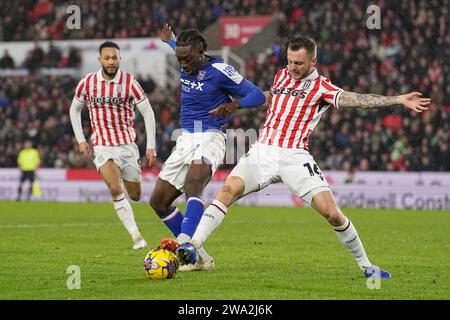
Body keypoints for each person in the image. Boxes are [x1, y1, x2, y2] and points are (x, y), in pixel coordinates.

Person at [177, 36, 431, 279]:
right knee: (228, 190)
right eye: (289, 61)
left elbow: (357, 100)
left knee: (331, 213)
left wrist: (397, 99)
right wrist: (237, 104)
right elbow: (272, 96)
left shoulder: (322, 88)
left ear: (313, 63)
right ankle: (193, 246)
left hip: (294, 156)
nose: (292, 67)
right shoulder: (282, 76)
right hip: (263, 150)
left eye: (298, 63)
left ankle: (367, 266)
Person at [151, 24, 265, 270]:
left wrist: (234, 106)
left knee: (194, 184)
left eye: (187, 58)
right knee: (158, 202)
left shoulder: (221, 70)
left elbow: (258, 95)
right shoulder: (186, 58)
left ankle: (183, 244)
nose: (183, 64)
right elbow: (180, 51)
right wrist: (169, 40)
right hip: (185, 139)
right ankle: (200, 257)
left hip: (211, 136)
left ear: (201, 50)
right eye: (180, 59)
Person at [69, 41, 156, 250]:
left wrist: (150, 146)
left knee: (135, 195)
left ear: (119, 59)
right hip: (101, 145)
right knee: (115, 188)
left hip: (127, 145)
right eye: (106, 58)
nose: (110, 61)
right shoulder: (87, 83)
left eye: (114, 57)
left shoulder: (130, 83)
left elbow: (148, 112)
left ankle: (125, 187)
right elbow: (74, 110)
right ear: (99, 60)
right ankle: (137, 238)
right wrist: (81, 139)